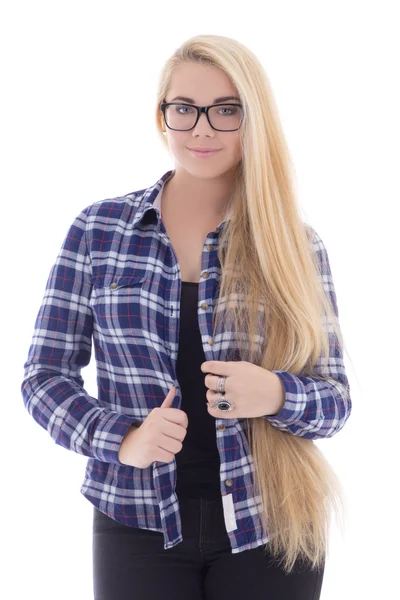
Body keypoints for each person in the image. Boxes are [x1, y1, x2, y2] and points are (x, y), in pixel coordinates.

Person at [21, 34, 352, 600]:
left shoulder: (295, 245)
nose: (202, 128)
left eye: (226, 110)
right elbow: (43, 378)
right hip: (136, 520)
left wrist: (273, 393)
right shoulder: (99, 231)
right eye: (185, 109)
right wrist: (122, 438)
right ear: (163, 117)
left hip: (271, 520)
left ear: (254, 120)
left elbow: (336, 401)